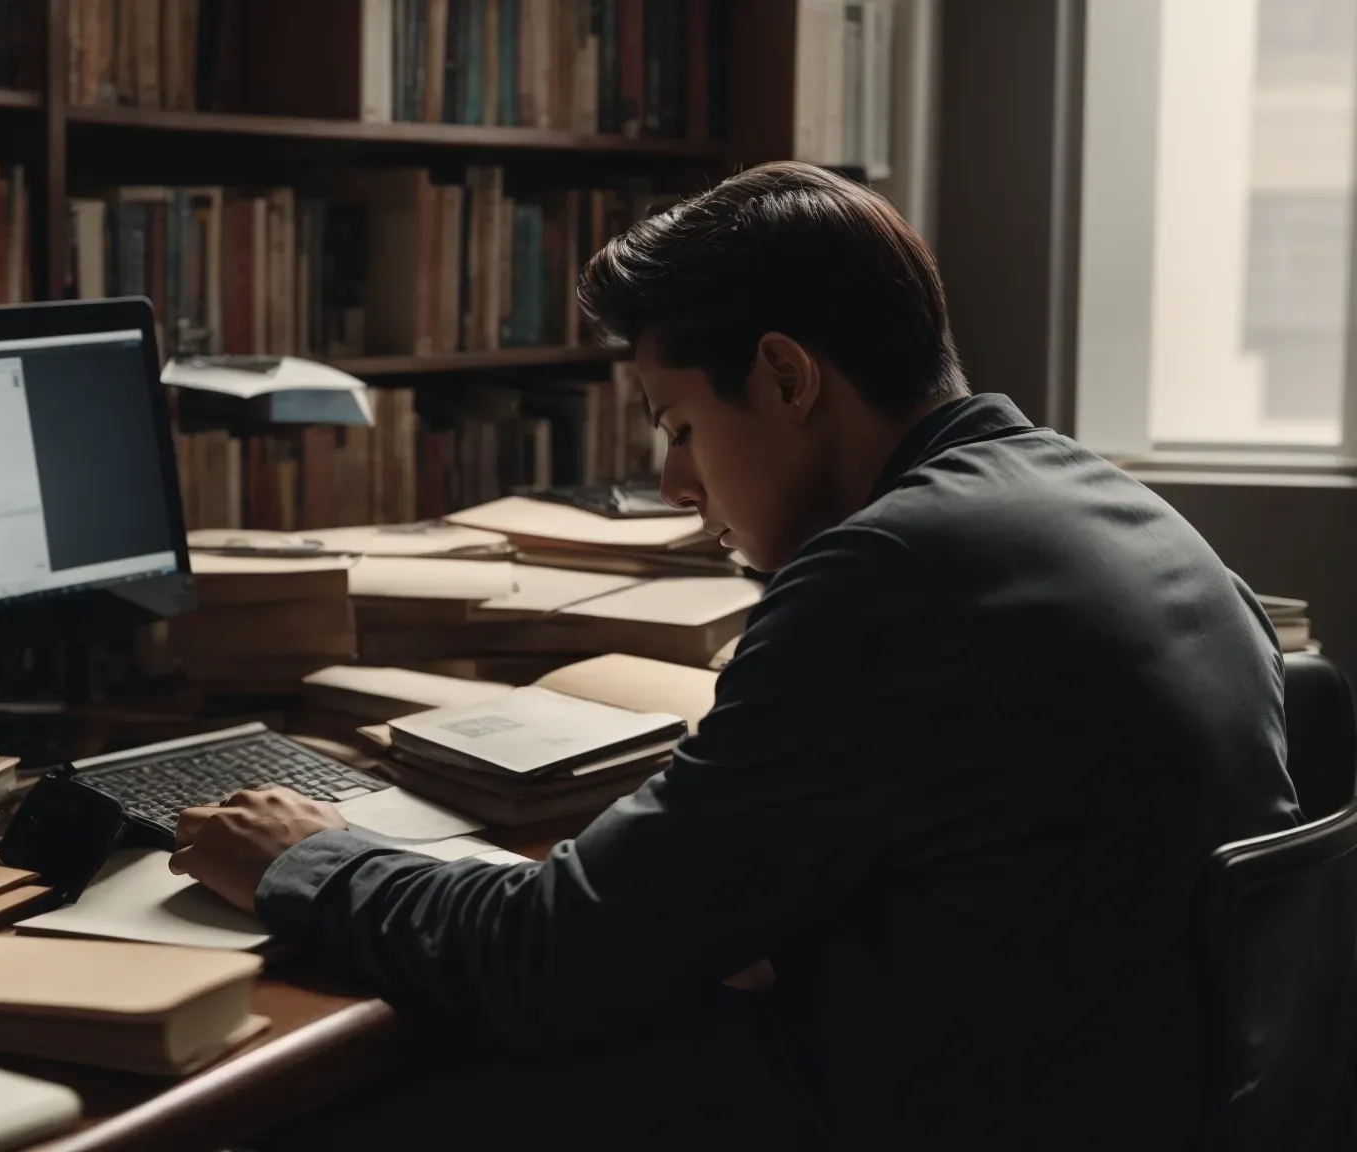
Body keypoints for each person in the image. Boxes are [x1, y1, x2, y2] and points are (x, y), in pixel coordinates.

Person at [167, 161, 1298, 1149]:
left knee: (323, 1107)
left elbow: (551, 961)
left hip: (930, 1121)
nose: (673, 482)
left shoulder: (888, 573)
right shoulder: (1101, 504)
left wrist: (308, 859)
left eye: (675, 425)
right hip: (1122, 1101)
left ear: (786, 376)